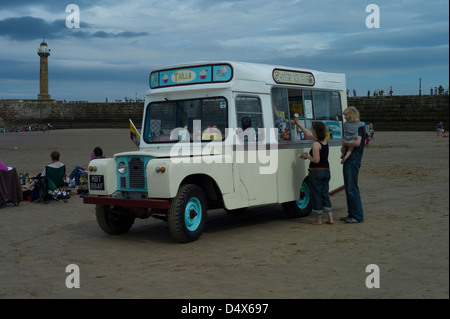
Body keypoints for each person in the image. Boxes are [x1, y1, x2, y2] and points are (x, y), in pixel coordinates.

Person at [294, 119, 333, 225]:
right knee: (325, 194)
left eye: (313, 129)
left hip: (317, 172)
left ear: (316, 131)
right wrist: (299, 125)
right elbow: (308, 134)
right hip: (326, 171)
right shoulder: (325, 140)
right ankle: (330, 218)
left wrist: (307, 157)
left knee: (316, 194)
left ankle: (318, 219)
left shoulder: (316, 144)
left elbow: (316, 160)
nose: (312, 130)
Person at [340, 106, 366, 224]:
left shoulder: (359, 128)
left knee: (351, 188)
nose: (345, 118)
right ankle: (352, 214)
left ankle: (357, 215)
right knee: (349, 187)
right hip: (351, 159)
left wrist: (344, 142)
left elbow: (356, 143)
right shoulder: (357, 127)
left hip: (353, 160)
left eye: (346, 116)